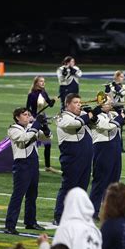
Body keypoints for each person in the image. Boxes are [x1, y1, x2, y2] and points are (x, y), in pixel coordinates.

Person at [54, 93, 99, 225]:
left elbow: (95, 125)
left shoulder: (81, 116)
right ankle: (59, 216)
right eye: (75, 102)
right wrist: (88, 115)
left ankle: (77, 215)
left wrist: (93, 114)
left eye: (80, 102)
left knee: (82, 189)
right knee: (68, 187)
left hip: (85, 157)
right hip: (72, 157)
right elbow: (72, 124)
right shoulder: (62, 117)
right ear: (67, 104)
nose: (79, 105)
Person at [5, 107, 50, 234]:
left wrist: (45, 126)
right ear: (17, 118)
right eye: (24, 115)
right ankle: (10, 225)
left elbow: (46, 138)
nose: (27, 117)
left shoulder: (31, 127)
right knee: (18, 196)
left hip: (33, 163)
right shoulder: (13, 129)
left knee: (32, 194)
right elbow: (24, 138)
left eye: (28, 114)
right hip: (22, 164)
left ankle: (30, 222)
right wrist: (36, 124)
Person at [89, 96, 125, 221]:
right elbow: (107, 126)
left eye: (111, 102)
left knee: (114, 181)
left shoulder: (113, 113)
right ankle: (93, 211)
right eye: (108, 102)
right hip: (102, 148)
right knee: (100, 181)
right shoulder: (97, 116)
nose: (111, 104)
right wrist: (120, 117)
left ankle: (109, 210)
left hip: (115, 148)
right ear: (101, 104)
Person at [26, 76, 59, 173]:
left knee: (47, 143)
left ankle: (48, 166)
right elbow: (27, 108)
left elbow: (49, 104)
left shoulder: (44, 92)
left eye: (44, 81)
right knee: (32, 142)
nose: (43, 83)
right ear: (36, 83)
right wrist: (31, 116)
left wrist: (52, 101)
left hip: (43, 119)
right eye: (41, 81)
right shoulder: (31, 94)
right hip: (34, 120)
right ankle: (29, 163)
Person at [104, 70, 125, 153]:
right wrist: (107, 90)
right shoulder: (110, 85)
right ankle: (110, 145)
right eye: (121, 76)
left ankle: (120, 147)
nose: (123, 78)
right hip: (112, 109)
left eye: (123, 76)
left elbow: (124, 93)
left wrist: (116, 87)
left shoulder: (123, 86)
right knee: (111, 127)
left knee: (120, 128)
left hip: (119, 108)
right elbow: (107, 97)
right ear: (117, 77)